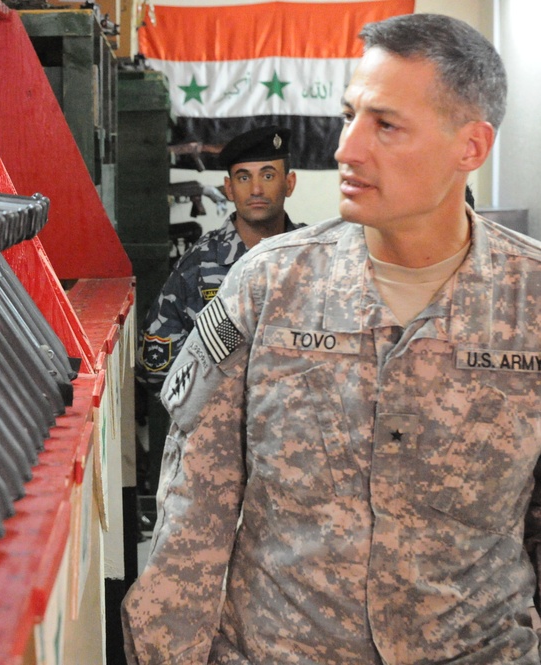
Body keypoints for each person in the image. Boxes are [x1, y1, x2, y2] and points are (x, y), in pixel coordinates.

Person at [123, 13, 540, 665]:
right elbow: (191, 509)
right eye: (348, 116)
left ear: (470, 147)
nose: (346, 148)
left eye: (385, 125)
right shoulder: (265, 285)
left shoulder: (531, 301)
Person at [136, 125, 303, 393]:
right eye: (243, 178)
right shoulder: (198, 265)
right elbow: (155, 371)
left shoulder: (314, 257)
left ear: (290, 183)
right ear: (229, 188)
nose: (256, 189)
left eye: (268, 175)